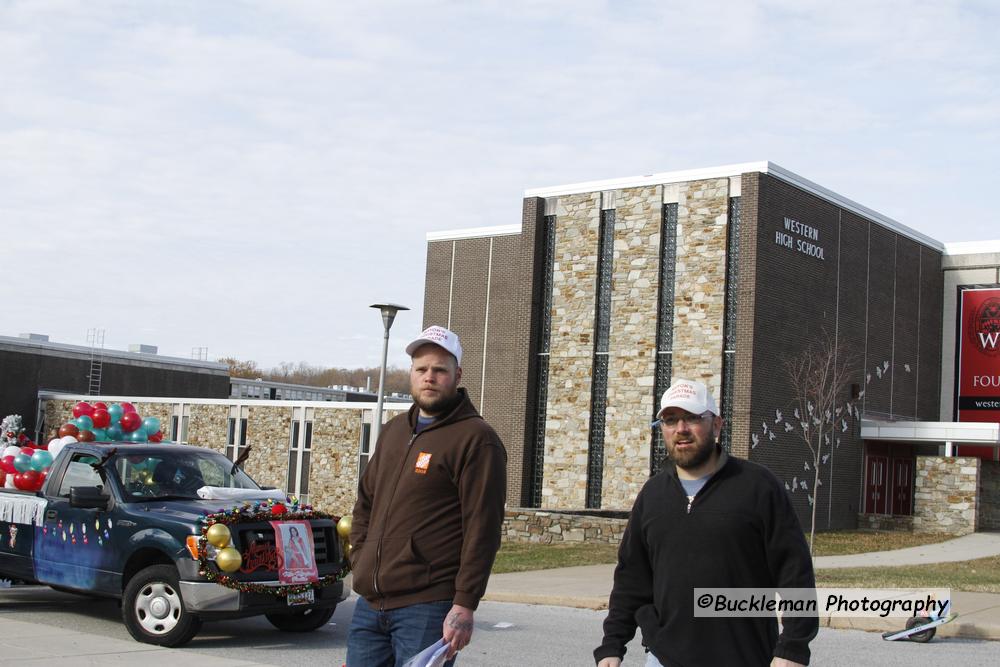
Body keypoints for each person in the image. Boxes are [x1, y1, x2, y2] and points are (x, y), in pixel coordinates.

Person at [594, 378, 818, 667]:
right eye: (670, 420)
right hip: (664, 659)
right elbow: (632, 578)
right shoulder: (653, 495)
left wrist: (792, 649)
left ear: (717, 425)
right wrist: (613, 644)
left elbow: (795, 572)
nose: (681, 429)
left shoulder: (758, 487)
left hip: (745, 657)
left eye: (692, 418)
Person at [347, 325, 507, 667]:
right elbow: (364, 505)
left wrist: (464, 603)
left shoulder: (477, 440)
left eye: (439, 370)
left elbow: (483, 529)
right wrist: (360, 560)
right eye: (421, 369)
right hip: (370, 605)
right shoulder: (393, 431)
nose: (429, 377)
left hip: (427, 607)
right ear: (411, 374)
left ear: (457, 374)